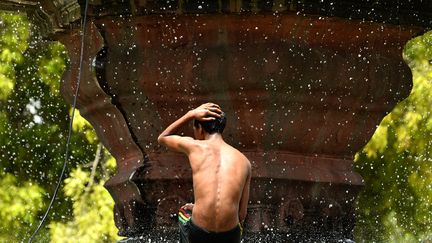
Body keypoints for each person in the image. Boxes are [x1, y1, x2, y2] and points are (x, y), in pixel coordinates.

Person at [158, 103, 251, 243]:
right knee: (238, 226)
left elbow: (163, 138)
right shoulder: (244, 162)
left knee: (185, 213)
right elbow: (242, 214)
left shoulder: (195, 147)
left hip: (200, 234)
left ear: (200, 128)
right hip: (230, 236)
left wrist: (191, 114)